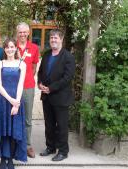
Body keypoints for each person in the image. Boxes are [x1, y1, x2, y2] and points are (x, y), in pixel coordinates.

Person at [0, 38, 27, 169]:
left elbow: (21, 85)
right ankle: (3, 158)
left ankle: (10, 158)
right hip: (2, 100)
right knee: (3, 129)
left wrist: (17, 103)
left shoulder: (22, 64)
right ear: (4, 49)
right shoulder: (0, 64)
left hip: (17, 100)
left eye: (12, 47)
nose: (10, 49)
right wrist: (11, 100)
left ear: (16, 48)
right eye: (7, 47)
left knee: (13, 129)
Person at [38, 29, 75, 161]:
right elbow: (41, 71)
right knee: (49, 124)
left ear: (61, 39)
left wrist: (51, 88)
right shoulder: (47, 54)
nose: (53, 40)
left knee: (62, 125)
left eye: (56, 38)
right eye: (51, 38)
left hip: (60, 97)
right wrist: (40, 83)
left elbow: (67, 78)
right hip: (47, 97)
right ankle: (51, 147)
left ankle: (63, 151)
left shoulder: (68, 56)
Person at [16, 22, 40, 158]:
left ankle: (28, 145)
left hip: (28, 87)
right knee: (13, 116)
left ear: (29, 33)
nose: (23, 34)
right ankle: (14, 144)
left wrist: (27, 78)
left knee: (27, 119)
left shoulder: (34, 48)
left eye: (25, 32)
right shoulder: (12, 47)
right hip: (13, 87)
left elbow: (34, 67)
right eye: (20, 32)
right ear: (17, 33)